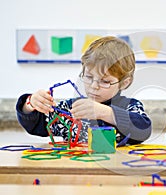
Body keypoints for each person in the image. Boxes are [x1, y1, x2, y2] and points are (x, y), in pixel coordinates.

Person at [16, 36, 152, 145]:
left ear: (124, 83)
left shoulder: (129, 107)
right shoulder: (72, 108)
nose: (94, 86)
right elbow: (36, 125)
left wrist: (105, 113)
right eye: (88, 77)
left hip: (114, 173)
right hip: (76, 173)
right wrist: (31, 104)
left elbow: (143, 129)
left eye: (105, 81)